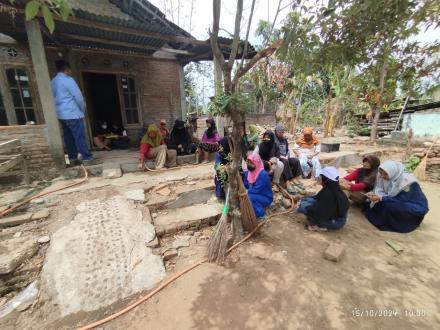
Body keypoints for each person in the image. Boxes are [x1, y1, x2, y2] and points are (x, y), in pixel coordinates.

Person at [363, 161, 429, 233]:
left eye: (385, 174)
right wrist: (376, 195)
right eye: (381, 173)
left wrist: (381, 198)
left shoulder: (407, 182)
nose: (382, 176)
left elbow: (402, 200)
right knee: (370, 201)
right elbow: (380, 189)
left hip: (412, 206)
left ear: (392, 172)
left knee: (388, 206)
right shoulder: (382, 176)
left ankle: (396, 223)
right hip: (395, 200)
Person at [51, 60, 96, 165]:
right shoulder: (68, 80)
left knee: (68, 137)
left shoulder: (53, 82)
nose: (70, 72)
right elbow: (78, 97)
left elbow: (52, 98)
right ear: (67, 69)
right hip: (72, 113)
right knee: (79, 136)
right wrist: (82, 109)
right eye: (70, 70)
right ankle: (87, 158)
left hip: (61, 115)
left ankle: (72, 159)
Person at [297, 166, 349, 231]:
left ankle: (319, 226)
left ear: (326, 179)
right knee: (307, 201)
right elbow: (316, 197)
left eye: (322, 177)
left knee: (303, 207)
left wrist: (302, 207)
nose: (320, 179)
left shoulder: (327, 193)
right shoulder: (333, 188)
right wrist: (303, 198)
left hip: (336, 222)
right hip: (338, 218)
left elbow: (321, 212)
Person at [274, 124, 304, 193]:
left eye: (282, 132)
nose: (281, 134)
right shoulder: (274, 141)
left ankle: (295, 179)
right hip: (278, 158)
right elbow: (274, 153)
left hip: (285, 157)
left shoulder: (284, 139)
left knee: (296, 161)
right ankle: (287, 183)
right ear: (276, 132)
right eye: (280, 132)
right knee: (285, 162)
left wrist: (287, 156)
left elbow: (287, 150)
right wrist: (283, 157)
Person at [243, 153, 273, 219]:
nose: (249, 165)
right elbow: (245, 184)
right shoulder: (248, 172)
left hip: (265, 197)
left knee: (249, 197)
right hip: (255, 195)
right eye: (248, 163)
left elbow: (257, 189)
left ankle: (261, 214)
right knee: (246, 197)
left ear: (257, 162)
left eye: (251, 163)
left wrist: (247, 191)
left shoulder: (263, 174)